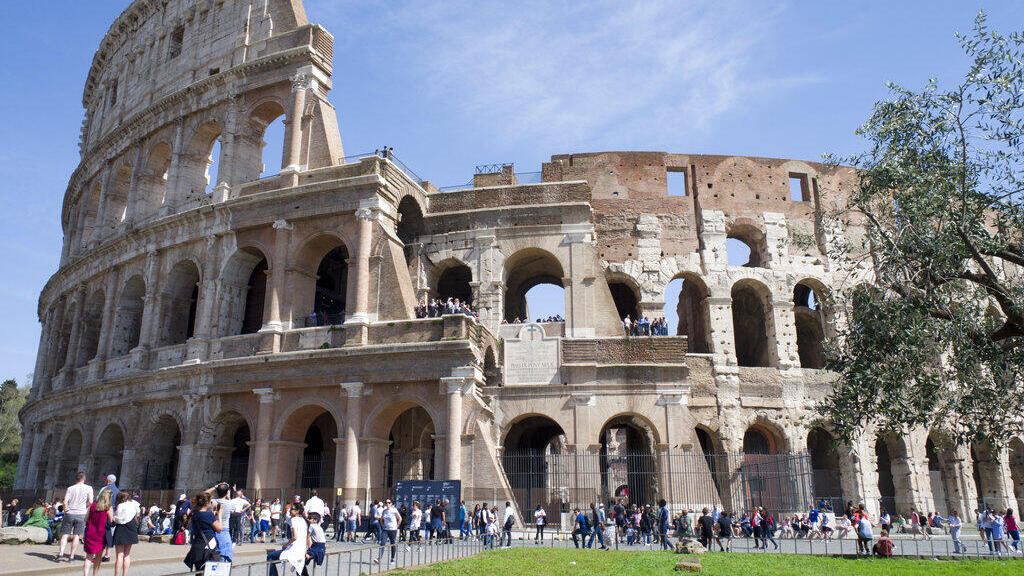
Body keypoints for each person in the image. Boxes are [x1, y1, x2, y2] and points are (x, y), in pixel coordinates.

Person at [58, 472, 94, 562]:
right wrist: (84, 507)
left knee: (65, 534)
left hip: (70, 513)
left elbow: (65, 502)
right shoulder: (89, 488)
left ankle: (60, 554)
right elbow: (90, 501)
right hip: (81, 513)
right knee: (76, 535)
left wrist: (66, 510)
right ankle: (71, 556)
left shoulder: (70, 488)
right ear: (84, 478)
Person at [184, 493, 222, 573]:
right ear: (207, 503)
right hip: (207, 547)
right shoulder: (208, 515)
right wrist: (219, 515)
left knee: (199, 571)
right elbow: (219, 529)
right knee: (208, 572)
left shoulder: (194, 514)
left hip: (197, 546)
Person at [268, 503, 308, 576]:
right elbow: (305, 537)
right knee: (300, 565)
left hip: (294, 549)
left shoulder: (294, 520)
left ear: (297, 511)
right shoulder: (303, 520)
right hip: (301, 549)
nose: (290, 511)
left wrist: (285, 545)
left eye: (292, 509)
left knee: (270, 556)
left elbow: (295, 537)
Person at [83, 489, 114, 576]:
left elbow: (85, 519)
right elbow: (111, 521)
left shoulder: (92, 506)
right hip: (101, 534)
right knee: (98, 557)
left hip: (90, 533)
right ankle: (95, 574)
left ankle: (85, 574)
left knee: (88, 557)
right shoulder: (108, 508)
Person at [111, 492, 140, 576]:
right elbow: (137, 513)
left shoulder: (121, 505)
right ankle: (124, 574)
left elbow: (119, 519)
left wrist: (114, 518)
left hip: (121, 528)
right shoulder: (134, 504)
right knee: (127, 554)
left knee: (119, 555)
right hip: (131, 527)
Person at [375, 500, 401, 565]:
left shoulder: (394, 510)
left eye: (389, 503)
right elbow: (381, 519)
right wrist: (382, 525)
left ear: (391, 504)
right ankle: (379, 558)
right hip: (385, 529)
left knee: (392, 543)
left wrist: (397, 526)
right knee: (382, 542)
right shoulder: (384, 511)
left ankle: (392, 559)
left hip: (393, 529)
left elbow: (400, 518)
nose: (387, 504)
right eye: (386, 503)